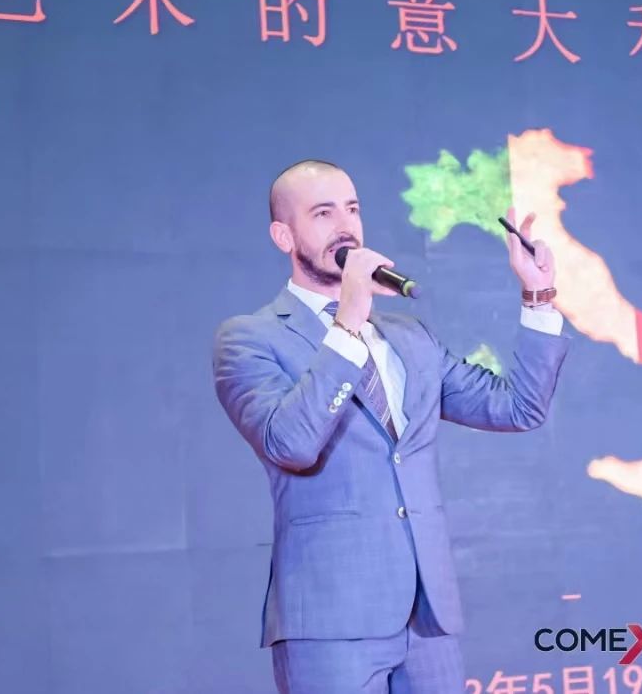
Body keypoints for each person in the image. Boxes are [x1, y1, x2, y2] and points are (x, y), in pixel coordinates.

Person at [212, 159, 569, 694]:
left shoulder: (409, 337)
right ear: (283, 235)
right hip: (330, 621)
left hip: (426, 618)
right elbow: (291, 444)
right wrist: (348, 320)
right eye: (323, 213)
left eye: (352, 209)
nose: (345, 227)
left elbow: (519, 407)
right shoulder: (249, 339)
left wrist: (537, 295)